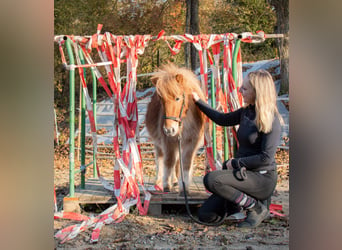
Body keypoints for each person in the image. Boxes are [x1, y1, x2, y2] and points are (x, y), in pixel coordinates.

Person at [192, 69, 282, 228]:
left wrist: (235, 163)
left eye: (245, 88)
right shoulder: (246, 112)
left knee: (212, 179)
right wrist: (198, 101)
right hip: (243, 177)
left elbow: (265, 158)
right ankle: (239, 205)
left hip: (261, 178)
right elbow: (221, 119)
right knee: (206, 215)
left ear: (257, 92)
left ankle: (257, 207)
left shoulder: (271, 119)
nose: (240, 91)